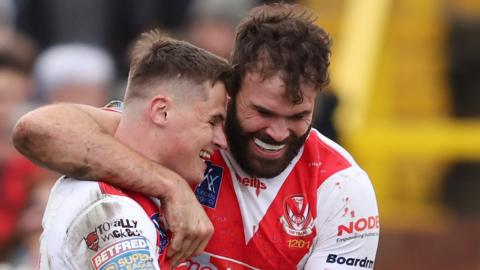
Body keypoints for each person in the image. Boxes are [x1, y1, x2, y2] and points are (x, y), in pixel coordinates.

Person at [13, 3, 379, 269]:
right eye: (263, 112)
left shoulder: (342, 190)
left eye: (300, 116)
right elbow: (40, 129)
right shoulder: (183, 138)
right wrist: (169, 186)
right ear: (232, 91)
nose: (278, 132)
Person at [35, 30, 230, 269]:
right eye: (212, 121)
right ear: (161, 112)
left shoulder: (130, 194)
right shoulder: (111, 210)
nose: (222, 140)